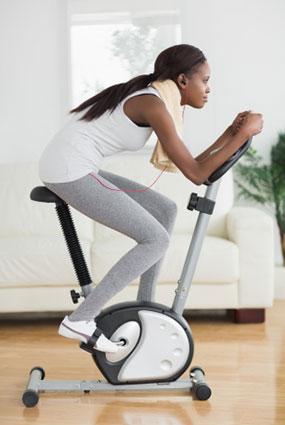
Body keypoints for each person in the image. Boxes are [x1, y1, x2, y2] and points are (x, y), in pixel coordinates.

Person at [39, 44, 263, 353]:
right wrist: (243, 134)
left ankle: (145, 306)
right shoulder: (154, 104)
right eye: (205, 80)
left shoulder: (156, 98)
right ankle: (81, 320)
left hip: (75, 165)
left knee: (164, 209)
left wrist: (230, 132)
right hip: (69, 170)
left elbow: (193, 162)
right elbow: (197, 173)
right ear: (183, 81)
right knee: (155, 240)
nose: (208, 89)